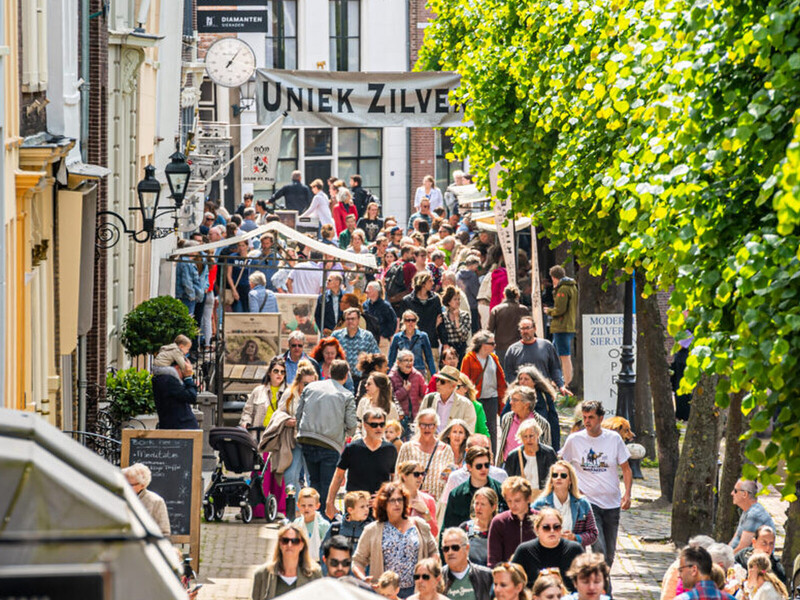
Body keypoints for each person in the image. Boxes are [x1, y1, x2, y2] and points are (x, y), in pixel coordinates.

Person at [560, 400, 632, 569]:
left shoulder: (614, 439)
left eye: (591, 417)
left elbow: (626, 469)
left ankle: (602, 586)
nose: (587, 421)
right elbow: (562, 465)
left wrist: (627, 494)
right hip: (587, 503)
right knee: (599, 548)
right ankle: (604, 590)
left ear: (601, 418)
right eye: (584, 417)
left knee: (609, 554)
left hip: (612, 502)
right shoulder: (574, 440)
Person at [352, 482, 438, 598]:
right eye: (392, 500)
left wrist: (429, 571)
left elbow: (434, 552)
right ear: (383, 504)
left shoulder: (418, 524)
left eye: (400, 500)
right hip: (385, 593)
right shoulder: (372, 530)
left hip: (416, 591)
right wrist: (363, 578)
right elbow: (358, 561)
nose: (397, 504)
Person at [295, 359, 357, 509]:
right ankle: (322, 517)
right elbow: (352, 425)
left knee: (313, 480)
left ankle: (313, 515)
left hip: (307, 438)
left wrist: (301, 430)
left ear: (329, 372)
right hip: (330, 442)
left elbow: (298, 413)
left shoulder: (311, 387)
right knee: (326, 484)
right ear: (346, 375)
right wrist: (346, 433)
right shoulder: (346, 395)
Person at [325, 407, 397, 519]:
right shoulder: (352, 448)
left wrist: (387, 497)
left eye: (382, 424)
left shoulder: (390, 449)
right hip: (355, 507)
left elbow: (394, 479)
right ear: (365, 425)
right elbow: (338, 476)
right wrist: (329, 503)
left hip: (380, 506)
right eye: (374, 425)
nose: (378, 428)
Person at [511, 508, 584, 592]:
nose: (552, 531)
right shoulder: (524, 551)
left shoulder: (575, 549)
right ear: (536, 529)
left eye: (556, 527)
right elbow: (513, 580)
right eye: (546, 527)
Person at [532, 460, 598, 549]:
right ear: (551, 480)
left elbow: (593, 533)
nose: (558, 478)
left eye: (563, 475)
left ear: (570, 480)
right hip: (547, 555)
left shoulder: (583, 503)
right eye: (555, 475)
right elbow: (530, 533)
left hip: (574, 556)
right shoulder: (539, 504)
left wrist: (575, 537)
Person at [460, 331, 506, 451]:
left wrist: (502, 397)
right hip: (475, 398)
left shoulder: (494, 358)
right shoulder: (469, 358)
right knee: (476, 426)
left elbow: (500, 378)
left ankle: (492, 455)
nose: (494, 346)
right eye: (491, 343)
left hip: (492, 398)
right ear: (482, 344)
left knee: (492, 429)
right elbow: (464, 379)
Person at [251, 522, 322, 600]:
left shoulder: (315, 575)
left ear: (302, 545)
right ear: (280, 544)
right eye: (285, 540)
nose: (289, 545)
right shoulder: (262, 574)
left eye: (295, 541)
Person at [396, 409, 455, 502]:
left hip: (437, 504)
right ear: (418, 426)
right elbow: (398, 478)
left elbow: (449, 480)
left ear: (436, 426)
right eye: (423, 425)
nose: (427, 428)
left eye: (430, 425)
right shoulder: (407, 448)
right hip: (412, 502)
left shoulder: (446, 450)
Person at [442, 447, 506, 530]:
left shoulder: (501, 491)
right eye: (479, 466)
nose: (484, 469)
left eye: (487, 465)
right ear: (469, 467)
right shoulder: (457, 494)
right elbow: (447, 528)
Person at [278, 360, 317, 493]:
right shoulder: (289, 394)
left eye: (312, 384)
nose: (308, 387)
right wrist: (287, 420)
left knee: (313, 477)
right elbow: (279, 414)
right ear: (298, 382)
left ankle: (314, 509)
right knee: (290, 475)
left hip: (312, 440)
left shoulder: (319, 396)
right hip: (294, 440)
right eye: (305, 384)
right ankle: (294, 507)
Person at [503, 318, 568, 396]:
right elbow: (509, 374)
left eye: (527, 328)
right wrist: (517, 388)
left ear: (534, 329)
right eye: (522, 329)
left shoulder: (546, 346)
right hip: (523, 395)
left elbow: (555, 368)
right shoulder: (512, 350)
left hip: (544, 392)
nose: (525, 331)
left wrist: (560, 385)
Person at [487, 476, 537, 567]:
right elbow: (493, 560)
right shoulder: (499, 522)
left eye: (517, 500)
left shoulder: (540, 520)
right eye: (509, 501)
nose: (512, 505)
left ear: (529, 498)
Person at [497, 386, 552, 464]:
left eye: (515, 400)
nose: (510, 403)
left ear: (526, 404)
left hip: (531, 466)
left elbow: (546, 450)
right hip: (508, 465)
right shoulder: (507, 418)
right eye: (511, 399)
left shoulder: (542, 423)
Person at [544, 266, 578, 387]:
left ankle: (567, 383)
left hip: (562, 326)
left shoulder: (563, 289)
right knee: (554, 352)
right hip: (567, 325)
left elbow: (560, 309)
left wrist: (549, 311)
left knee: (564, 355)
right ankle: (557, 380)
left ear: (554, 277)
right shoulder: (572, 286)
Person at [418, 366, 477, 434]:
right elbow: (419, 424)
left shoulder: (466, 405)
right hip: (430, 442)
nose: (438, 383)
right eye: (437, 380)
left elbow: (469, 431)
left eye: (442, 382)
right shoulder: (428, 399)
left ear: (453, 386)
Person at [515, 365, 561, 452]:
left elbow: (553, 423)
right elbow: (505, 418)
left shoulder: (544, 397)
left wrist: (555, 449)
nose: (522, 382)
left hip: (541, 440)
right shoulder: (514, 397)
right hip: (518, 441)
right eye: (520, 379)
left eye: (526, 379)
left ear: (534, 382)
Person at [441, 527, 494, 600]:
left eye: (455, 547)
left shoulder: (486, 576)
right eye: (446, 549)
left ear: (467, 548)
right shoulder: (437, 578)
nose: (450, 552)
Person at [502, 419, 557, 491]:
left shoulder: (548, 453)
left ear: (537, 435)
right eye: (525, 436)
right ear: (521, 438)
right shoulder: (513, 456)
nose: (528, 440)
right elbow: (507, 482)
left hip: (543, 497)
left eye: (531, 436)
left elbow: (555, 477)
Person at [320, 501, 369, 577]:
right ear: (350, 510)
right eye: (362, 507)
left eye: (367, 506)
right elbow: (323, 551)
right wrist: (327, 572)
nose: (366, 509)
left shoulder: (369, 529)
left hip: (360, 581)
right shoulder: (336, 528)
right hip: (336, 579)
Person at [152, 352, 198, 429]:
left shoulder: (161, 379)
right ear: (177, 367)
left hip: (177, 427)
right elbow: (192, 397)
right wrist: (188, 378)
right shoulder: (168, 381)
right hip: (180, 429)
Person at [122, 463, 170, 536]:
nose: (125, 486)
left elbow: (164, 533)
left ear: (142, 485)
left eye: (130, 484)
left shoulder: (155, 501)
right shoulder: (117, 497)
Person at [402, 272, 443, 355]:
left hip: (432, 343)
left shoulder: (435, 300)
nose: (433, 283)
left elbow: (441, 323)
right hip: (413, 345)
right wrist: (433, 326)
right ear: (423, 283)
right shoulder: (407, 301)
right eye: (430, 281)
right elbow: (404, 324)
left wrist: (445, 343)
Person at [729, 479, 776, 553]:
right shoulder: (747, 511)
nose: (732, 493)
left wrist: (726, 559)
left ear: (744, 494)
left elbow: (743, 548)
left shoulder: (754, 514)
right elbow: (734, 540)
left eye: (735, 491)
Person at [488, 285, 531, 364]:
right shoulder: (523, 309)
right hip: (519, 346)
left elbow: (489, 330)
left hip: (501, 347)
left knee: (503, 372)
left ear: (504, 295)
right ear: (517, 296)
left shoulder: (496, 310)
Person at [389, 310, 437, 378]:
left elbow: (429, 357)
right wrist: (389, 375)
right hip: (403, 371)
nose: (410, 322)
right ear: (404, 322)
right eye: (408, 320)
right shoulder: (397, 337)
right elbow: (391, 358)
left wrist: (433, 375)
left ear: (416, 321)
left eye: (413, 320)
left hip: (419, 370)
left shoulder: (422, 336)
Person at [397, 460, 439, 536]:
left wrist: (426, 512)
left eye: (423, 474)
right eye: (416, 474)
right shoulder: (393, 499)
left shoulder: (429, 500)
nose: (420, 477)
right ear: (404, 477)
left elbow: (434, 533)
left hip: (421, 545)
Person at [389, 349, 428, 431]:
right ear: (398, 363)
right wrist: (404, 390)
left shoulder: (417, 375)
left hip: (415, 418)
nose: (409, 363)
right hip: (398, 419)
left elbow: (425, 394)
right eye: (406, 360)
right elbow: (390, 399)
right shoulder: (391, 377)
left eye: (411, 360)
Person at [459, 487, 498, 567]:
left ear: (493, 507)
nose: (478, 508)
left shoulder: (498, 530)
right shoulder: (465, 528)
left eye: (483, 504)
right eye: (476, 503)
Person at [356, 372, 401, 437]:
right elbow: (357, 425)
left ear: (378, 387)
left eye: (369, 384)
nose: (365, 385)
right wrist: (358, 436)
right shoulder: (363, 402)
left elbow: (396, 429)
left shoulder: (391, 407)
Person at [363, 281, 398, 352]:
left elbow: (393, 322)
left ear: (376, 291)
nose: (366, 291)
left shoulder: (385, 306)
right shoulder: (365, 305)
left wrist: (384, 335)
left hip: (382, 341)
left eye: (369, 289)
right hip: (367, 340)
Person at [439, 286, 472, 361]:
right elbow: (440, 334)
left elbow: (464, 336)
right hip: (448, 349)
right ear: (449, 302)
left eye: (458, 299)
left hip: (461, 349)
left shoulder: (465, 315)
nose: (458, 301)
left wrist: (457, 319)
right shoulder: (444, 316)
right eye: (455, 299)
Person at [456, 374, 491, 438]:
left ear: (466, 389)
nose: (454, 390)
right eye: (451, 386)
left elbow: (483, 431)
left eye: (457, 387)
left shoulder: (476, 406)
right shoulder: (446, 405)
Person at [457, 256, 482, 333]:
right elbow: (476, 292)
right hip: (472, 305)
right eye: (477, 266)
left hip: (460, 304)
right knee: (474, 328)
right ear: (472, 265)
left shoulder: (458, 274)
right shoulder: (473, 276)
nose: (478, 268)